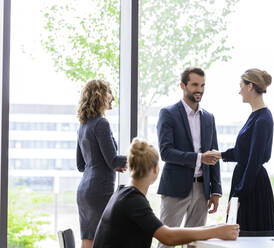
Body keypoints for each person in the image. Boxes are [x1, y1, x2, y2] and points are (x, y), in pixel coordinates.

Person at [92, 138, 239, 248]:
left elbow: (169, 232)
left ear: (130, 166)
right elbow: (168, 237)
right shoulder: (133, 201)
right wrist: (216, 232)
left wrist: (216, 228)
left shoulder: (122, 194)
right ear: (156, 169)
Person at [156, 67, 222, 247]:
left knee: (196, 243)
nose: (199, 89)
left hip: (202, 190)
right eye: (194, 85)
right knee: (166, 242)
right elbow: (166, 152)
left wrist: (215, 190)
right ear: (183, 85)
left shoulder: (209, 118)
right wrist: (200, 158)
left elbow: (214, 155)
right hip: (175, 189)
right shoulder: (168, 114)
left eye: (202, 85)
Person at [215, 68, 274, 231]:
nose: (239, 91)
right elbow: (243, 152)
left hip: (252, 186)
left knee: (248, 232)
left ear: (250, 86)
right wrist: (220, 155)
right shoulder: (256, 116)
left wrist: (239, 194)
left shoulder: (263, 119)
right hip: (246, 181)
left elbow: (254, 161)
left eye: (241, 85)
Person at [76, 79, 127, 248]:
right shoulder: (101, 123)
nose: (113, 98)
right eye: (110, 93)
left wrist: (102, 164)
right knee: (102, 240)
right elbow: (112, 160)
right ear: (101, 96)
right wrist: (137, 157)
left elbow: (81, 165)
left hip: (84, 190)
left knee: (88, 240)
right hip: (99, 189)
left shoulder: (83, 126)